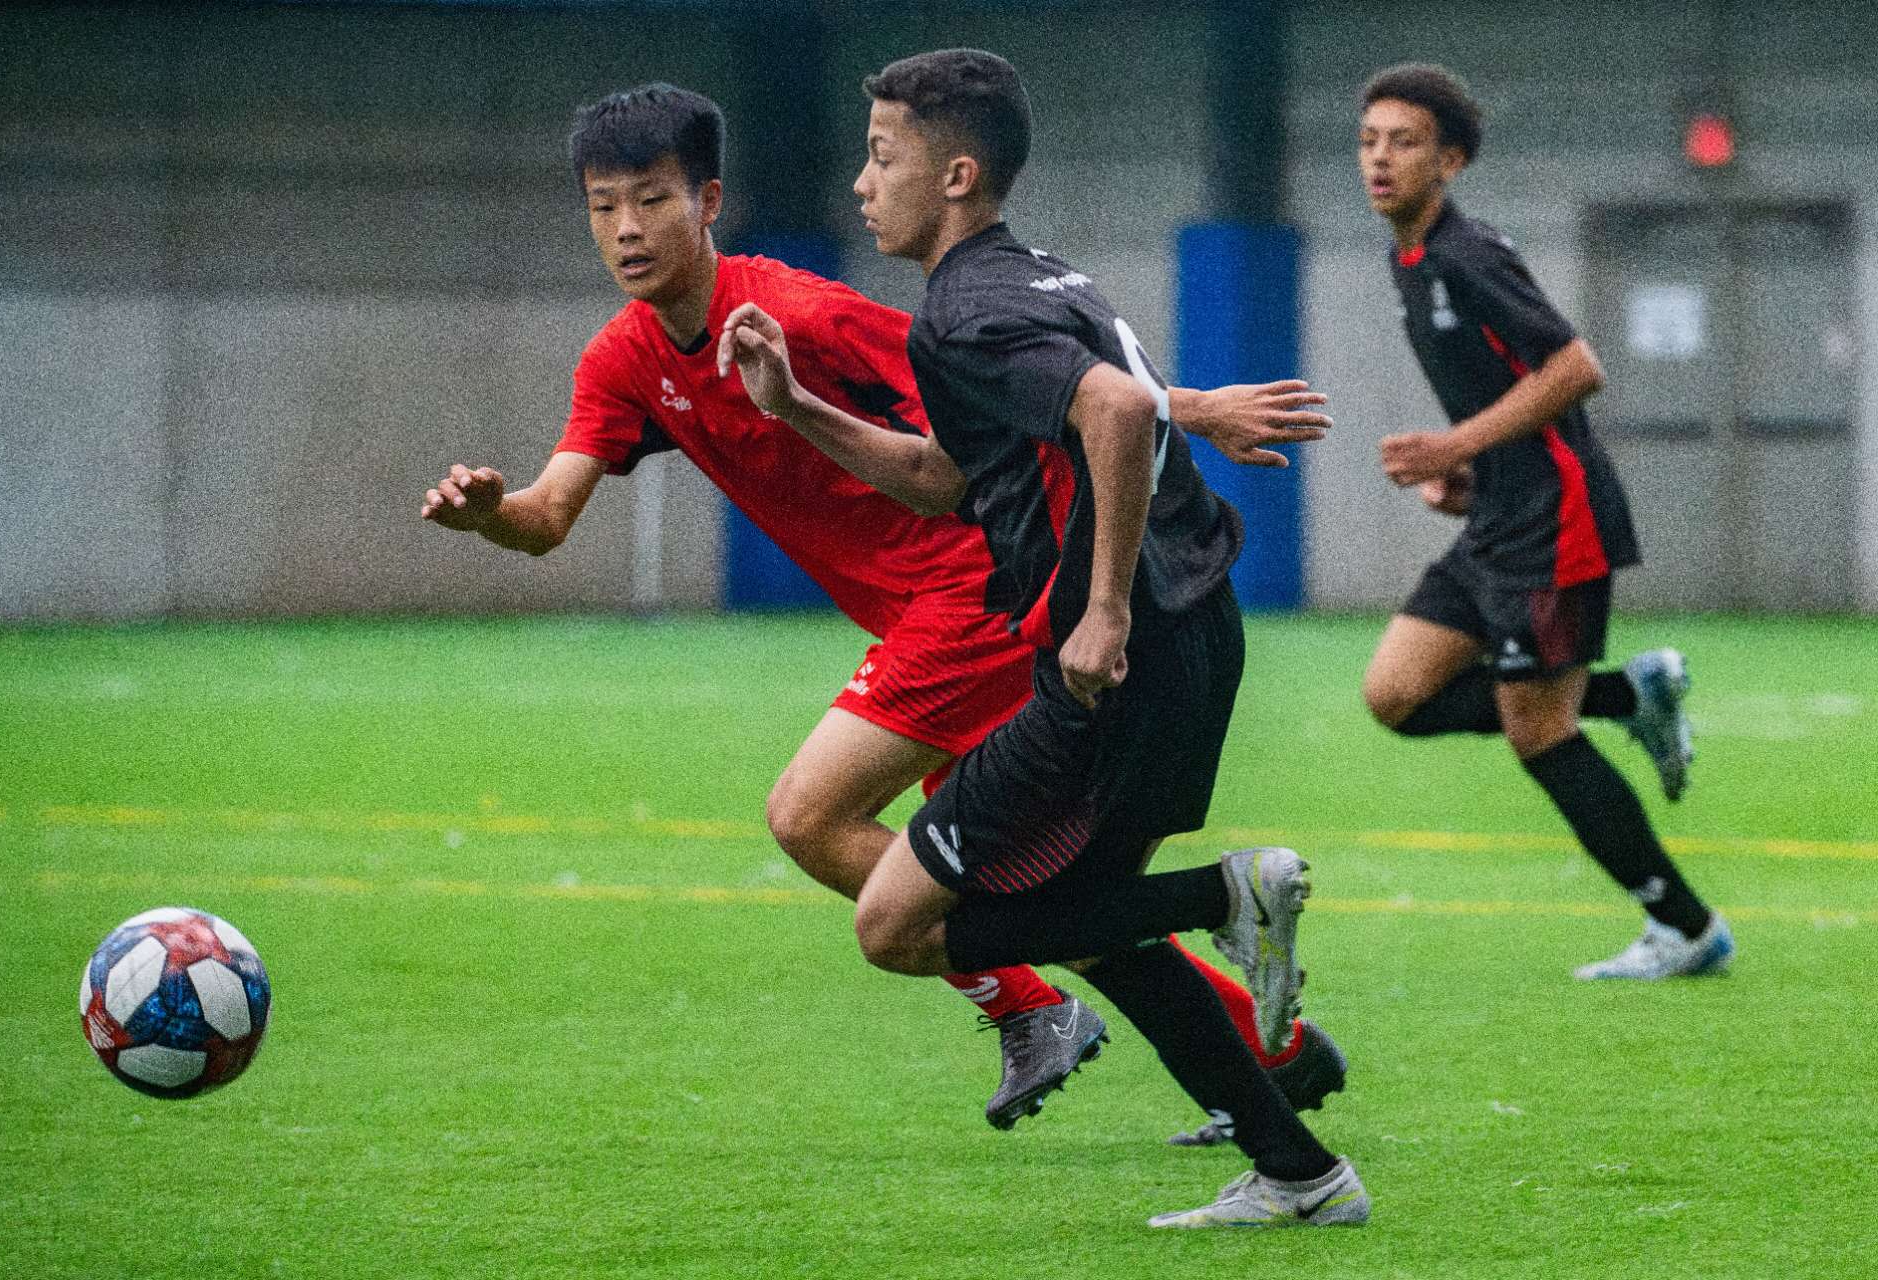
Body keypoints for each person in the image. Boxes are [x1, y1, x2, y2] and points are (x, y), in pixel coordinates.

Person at [418, 83, 1347, 1132]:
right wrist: (491, 514)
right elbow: (547, 517)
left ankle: (1026, 1000)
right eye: (602, 205)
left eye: (652, 198)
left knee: (812, 817)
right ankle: (1270, 1055)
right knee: (1052, 899)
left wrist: (1187, 405)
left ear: (708, 198)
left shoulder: (801, 313)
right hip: (925, 621)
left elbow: (998, 377)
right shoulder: (623, 360)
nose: (627, 229)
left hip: (975, 597)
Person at [721, 49, 1368, 1228]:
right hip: (1189, 637)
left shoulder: (968, 306)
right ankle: (1300, 1172)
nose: (864, 185)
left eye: (883, 156)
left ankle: (1222, 894)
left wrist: (1105, 608)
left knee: (893, 921)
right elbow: (941, 479)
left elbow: (1114, 410)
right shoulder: (1041, 281)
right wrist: (797, 409)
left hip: (1114, 664)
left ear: (957, 174)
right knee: (1095, 923)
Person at [1355, 63, 1732, 980]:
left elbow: (1573, 370)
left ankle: (1685, 929)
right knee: (1395, 695)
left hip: (1558, 524)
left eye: (1403, 143)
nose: (1379, 159)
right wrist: (1474, 477)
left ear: (1451, 160)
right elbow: (1512, 395)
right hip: (1502, 516)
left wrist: (1452, 450)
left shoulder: (1468, 253)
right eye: (1368, 141)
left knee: (1539, 733)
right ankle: (1628, 695)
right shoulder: (1407, 258)